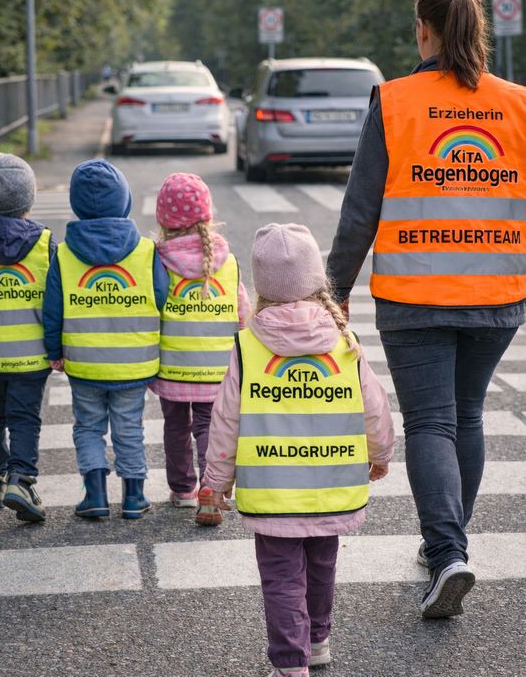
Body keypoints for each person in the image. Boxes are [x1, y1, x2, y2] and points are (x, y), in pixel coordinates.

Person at [327, 0, 526, 618]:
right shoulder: (518, 104)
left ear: (423, 30)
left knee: (432, 423)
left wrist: (331, 294)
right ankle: (450, 546)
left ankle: (447, 554)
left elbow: (361, 211)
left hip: (415, 295)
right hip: (499, 294)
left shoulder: (395, 100)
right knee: (464, 416)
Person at [204, 223, 394, 677]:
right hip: (333, 484)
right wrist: (380, 453)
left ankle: (291, 663)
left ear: (261, 286)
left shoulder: (248, 345)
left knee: (281, 578)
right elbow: (374, 407)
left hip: (271, 491)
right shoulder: (343, 341)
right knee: (322, 565)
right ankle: (319, 639)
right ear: (316, 281)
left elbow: (227, 418)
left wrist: (215, 481)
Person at [43, 160, 169, 519]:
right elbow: (162, 297)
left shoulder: (65, 253)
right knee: (129, 427)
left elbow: (54, 309)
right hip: (134, 361)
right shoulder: (146, 251)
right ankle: (133, 496)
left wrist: (55, 351)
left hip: (83, 362)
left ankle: (94, 494)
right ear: (126, 200)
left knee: (87, 427)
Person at [150, 172, 250, 525]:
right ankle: (211, 484)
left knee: (175, 425)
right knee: (210, 425)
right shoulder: (228, 261)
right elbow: (243, 315)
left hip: (173, 364)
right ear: (207, 215)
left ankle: (183, 490)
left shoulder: (157, 260)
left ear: (164, 220)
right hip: (217, 365)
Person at [0, 154, 56, 523]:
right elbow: (56, 300)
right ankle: (21, 479)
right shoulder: (44, 243)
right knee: (23, 418)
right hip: (31, 354)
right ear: (27, 200)